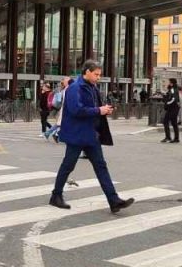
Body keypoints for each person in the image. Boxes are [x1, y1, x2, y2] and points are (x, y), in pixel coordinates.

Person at [48, 60, 134, 214]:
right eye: (96, 74)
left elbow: (94, 108)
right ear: (86, 71)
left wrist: (104, 110)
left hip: (91, 134)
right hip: (77, 134)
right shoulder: (75, 88)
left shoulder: (92, 87)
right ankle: (56, 195)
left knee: (101, 166)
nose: (98, 77)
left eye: (99, 75)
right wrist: (98, 111)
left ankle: (113, 200)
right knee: (68, 165)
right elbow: (76, 110)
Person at [44, 77, 70, 141]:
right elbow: (60, 100)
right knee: (61, 123)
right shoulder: (62, 90)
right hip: (60, 108)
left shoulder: (60, 89)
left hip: (58, 108)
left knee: (60, 123)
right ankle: (55, 134)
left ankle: (53, 133)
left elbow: (51, 95)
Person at [162, 78, 181, 144]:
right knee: (174, 123)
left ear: (171, 83)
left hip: (172, 108)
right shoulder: (173, 89)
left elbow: (173, 98)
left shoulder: (173, 89)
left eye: (169, 82)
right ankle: (176, 138)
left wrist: (167, 103)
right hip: (174, 108)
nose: (168, 83)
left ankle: (168, 137)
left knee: (165, 121)